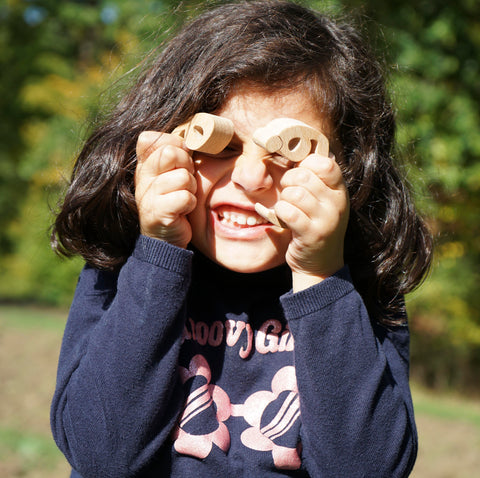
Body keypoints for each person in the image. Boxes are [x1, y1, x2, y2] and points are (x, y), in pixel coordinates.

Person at [50, 1, 433, 477]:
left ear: (349, 170)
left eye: (289, 153)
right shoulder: (124, 268)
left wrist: (319, 276)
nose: (252, 176)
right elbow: (100, 454)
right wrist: (159, 253)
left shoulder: (362, 289)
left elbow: (368, 468)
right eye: (221, 147)